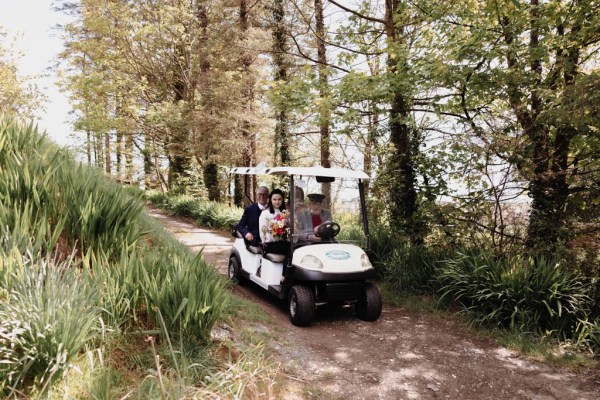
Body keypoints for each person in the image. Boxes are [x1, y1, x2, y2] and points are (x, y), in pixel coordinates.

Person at [259, 189, 289, 254]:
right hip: (270, 243)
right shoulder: (265, 213)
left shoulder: (285, 212)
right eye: (274, 199)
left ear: (282, 200)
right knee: (289, 249)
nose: (277, 202)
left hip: (284, 241)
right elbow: (262, 231)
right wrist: (273, 228)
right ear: (270, 200)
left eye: (279, 199)